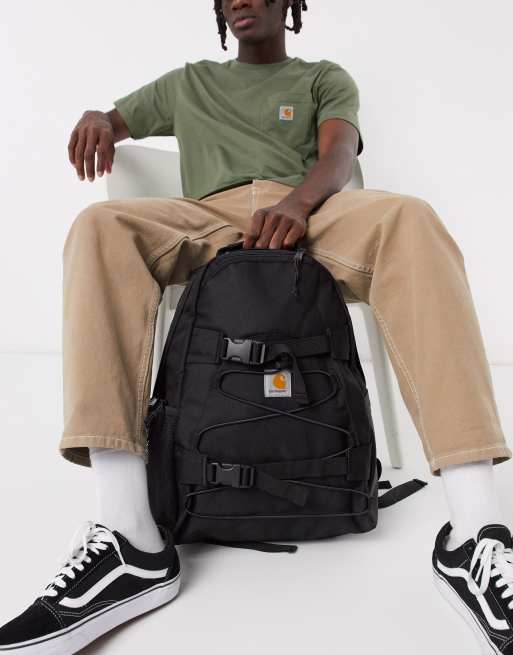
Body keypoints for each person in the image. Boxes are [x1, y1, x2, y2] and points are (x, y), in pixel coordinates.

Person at [1, 1, 512, 653]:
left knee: (411, 217)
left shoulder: (322, 76)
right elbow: (116, 117)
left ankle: (474, 532)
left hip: (311, 212)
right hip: (205, 215)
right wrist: (97, 118)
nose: (239, 0)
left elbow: (338, 152)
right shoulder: (188, 83)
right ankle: (130, 538)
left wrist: (297, 202)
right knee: (98, 227)